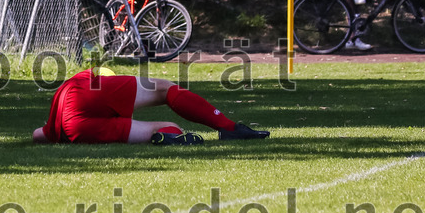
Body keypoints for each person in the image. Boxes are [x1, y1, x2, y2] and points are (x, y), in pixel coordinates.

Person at [32, 68, 270, 145]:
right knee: (165, 88)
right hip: (86, 96)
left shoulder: (58, 113)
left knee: (169, 127)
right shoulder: (87, 80)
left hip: (75, 129)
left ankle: (167, 137)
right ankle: (229, 128)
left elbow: (38, 135)